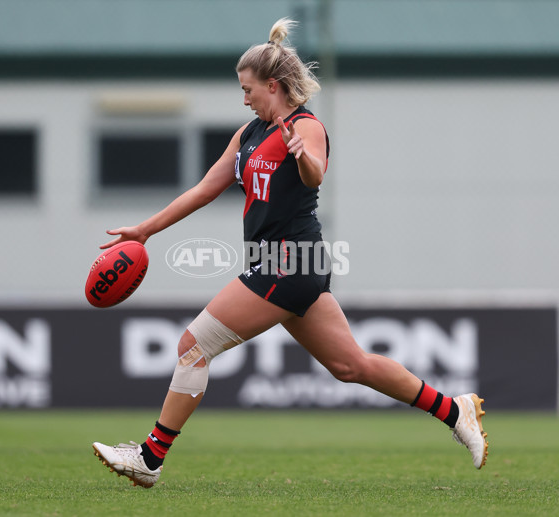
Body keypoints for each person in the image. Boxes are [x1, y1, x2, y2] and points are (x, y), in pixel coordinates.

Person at [92, 18, 488, 488]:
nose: (244, 98)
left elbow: (316, 174)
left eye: (248, 89)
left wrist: (303, 156)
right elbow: (203, 190)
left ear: (273, 85)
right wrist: (145, 231)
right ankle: (455, 409)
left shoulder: (306, 127)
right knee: (350, 366)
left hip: (289, 261)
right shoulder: (249, 134)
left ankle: (149, 458)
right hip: (286, 264)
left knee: (193, 347)